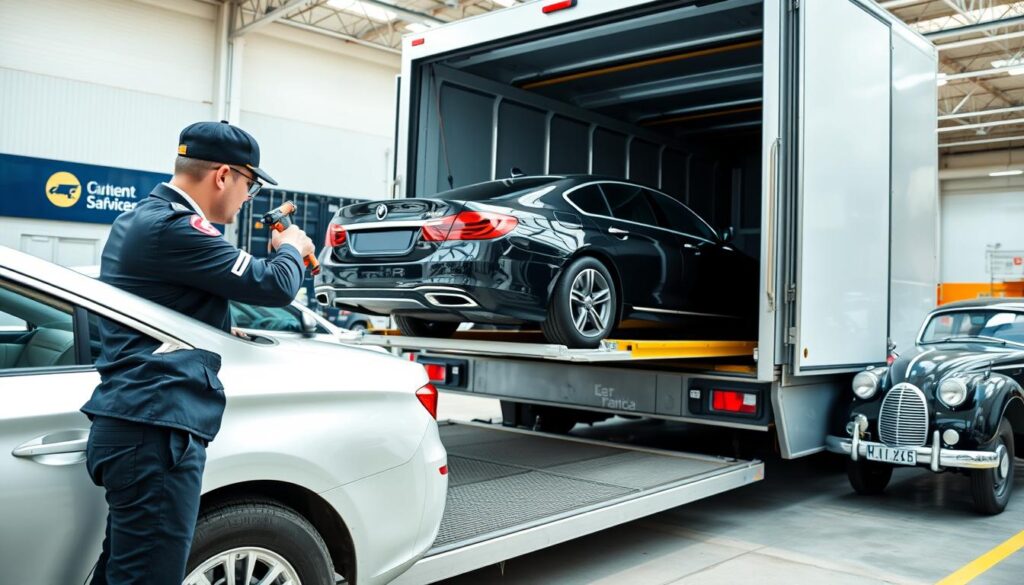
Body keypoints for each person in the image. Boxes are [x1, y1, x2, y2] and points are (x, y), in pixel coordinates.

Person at [81, 120, 315, 584]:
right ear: (223, 175)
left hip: (138, 423)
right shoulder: (174, 226)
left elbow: (175, 310)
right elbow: (272, 284)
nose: (249, 196)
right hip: (155, 428)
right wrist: (291, 248)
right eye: (249, 183)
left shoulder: (139, 218)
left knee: (125, 573)